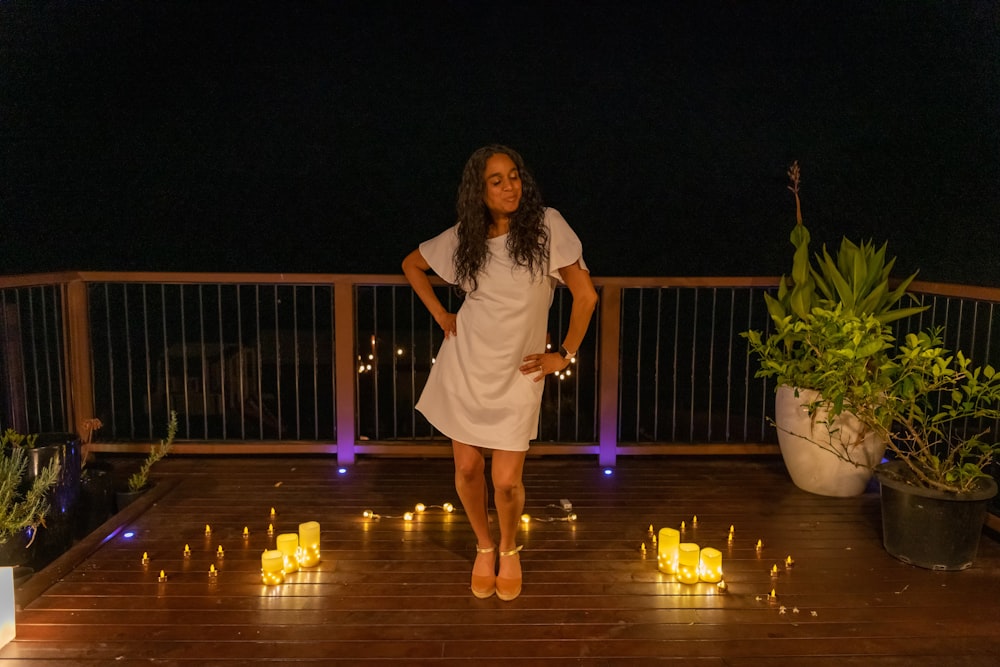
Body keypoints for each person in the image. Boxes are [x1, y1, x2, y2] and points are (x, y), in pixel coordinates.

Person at [401, 145, 598, 601]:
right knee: (468, 470)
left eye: (514, 176)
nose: (510, 186)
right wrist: (441, 315)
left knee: (506, 480)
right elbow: (412, 265)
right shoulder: (466, 238)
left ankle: (509, 547)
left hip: (519, 372)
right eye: (497, 180)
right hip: (465, 362)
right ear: (480, 191)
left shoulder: (548, 226)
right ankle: (483, 545)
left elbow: (585, 298)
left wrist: (563, 354)